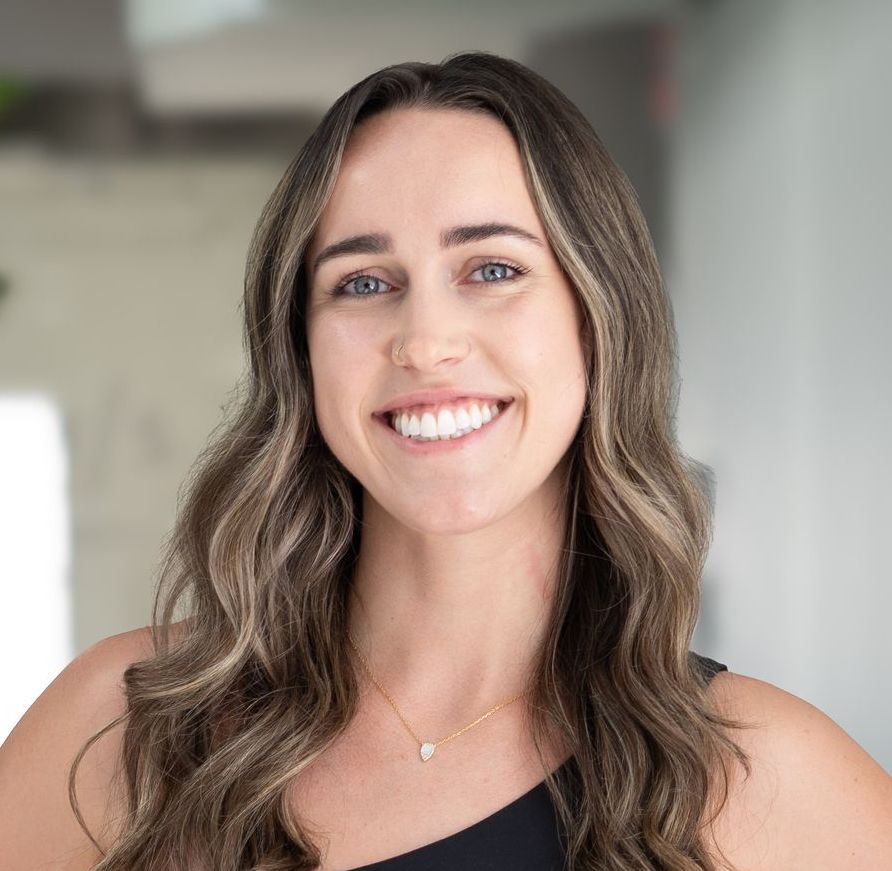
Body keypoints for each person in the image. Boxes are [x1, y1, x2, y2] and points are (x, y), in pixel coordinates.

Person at [1, 50, 890, 871]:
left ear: (597, 316)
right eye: (362, 282)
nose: (424, 341)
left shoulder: (766, 780)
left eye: (492, 269)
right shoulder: (121, 731)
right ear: (300, 353)